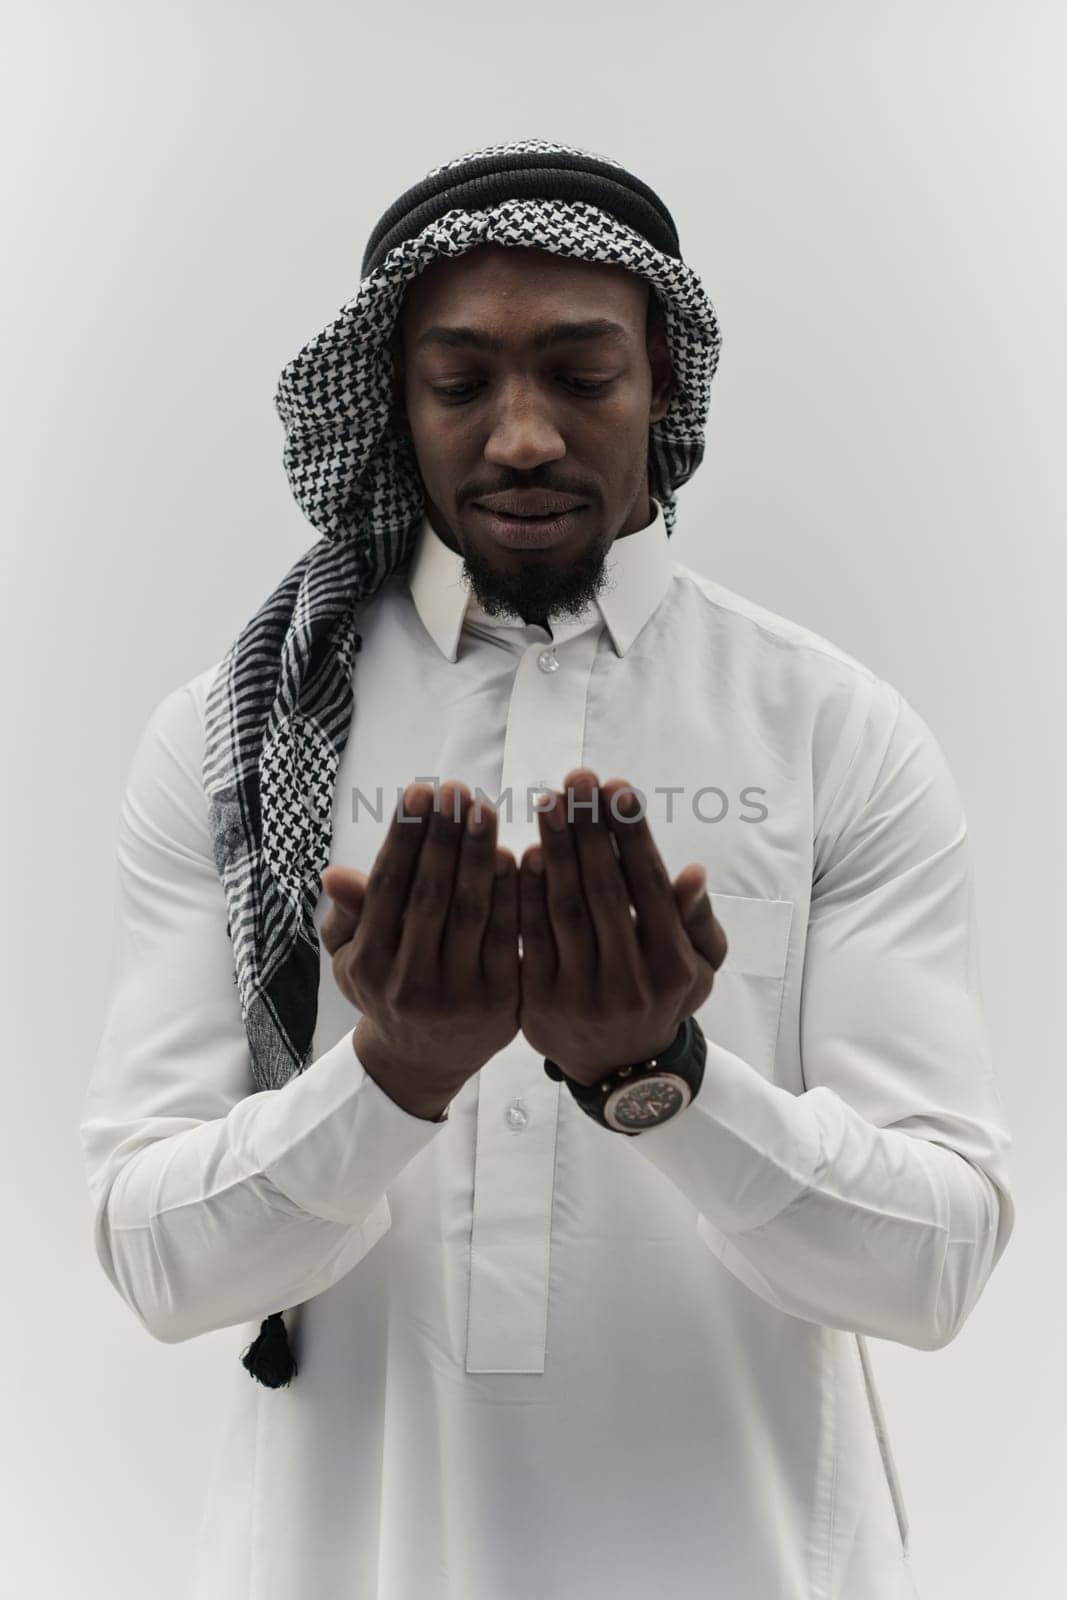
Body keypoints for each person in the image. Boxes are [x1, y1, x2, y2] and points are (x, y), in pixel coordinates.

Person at [80, 139, 1015, 1600]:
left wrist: (669, 1082)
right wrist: (388, 1078)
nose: (521, 437)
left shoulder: (835, 733)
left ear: (663, 390)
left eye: (582, 375)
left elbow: (937, 1269)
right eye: (462, 383)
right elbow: (157, 1265)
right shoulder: (233, 740)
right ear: (396, 403)